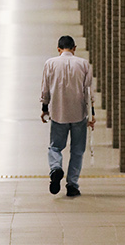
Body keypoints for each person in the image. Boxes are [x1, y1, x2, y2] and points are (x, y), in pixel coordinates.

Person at [40, 34, 95, 197]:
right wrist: (92, 115)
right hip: (79, 114)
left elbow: (45, 88)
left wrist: (44, 108)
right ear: (74, 48)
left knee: (55, 146)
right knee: (77, 151)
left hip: (58, 113)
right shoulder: (84, 64)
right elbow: (88, 92)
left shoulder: (50, 64)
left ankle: (56, 168)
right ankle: (72, 185)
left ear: (58, 49)